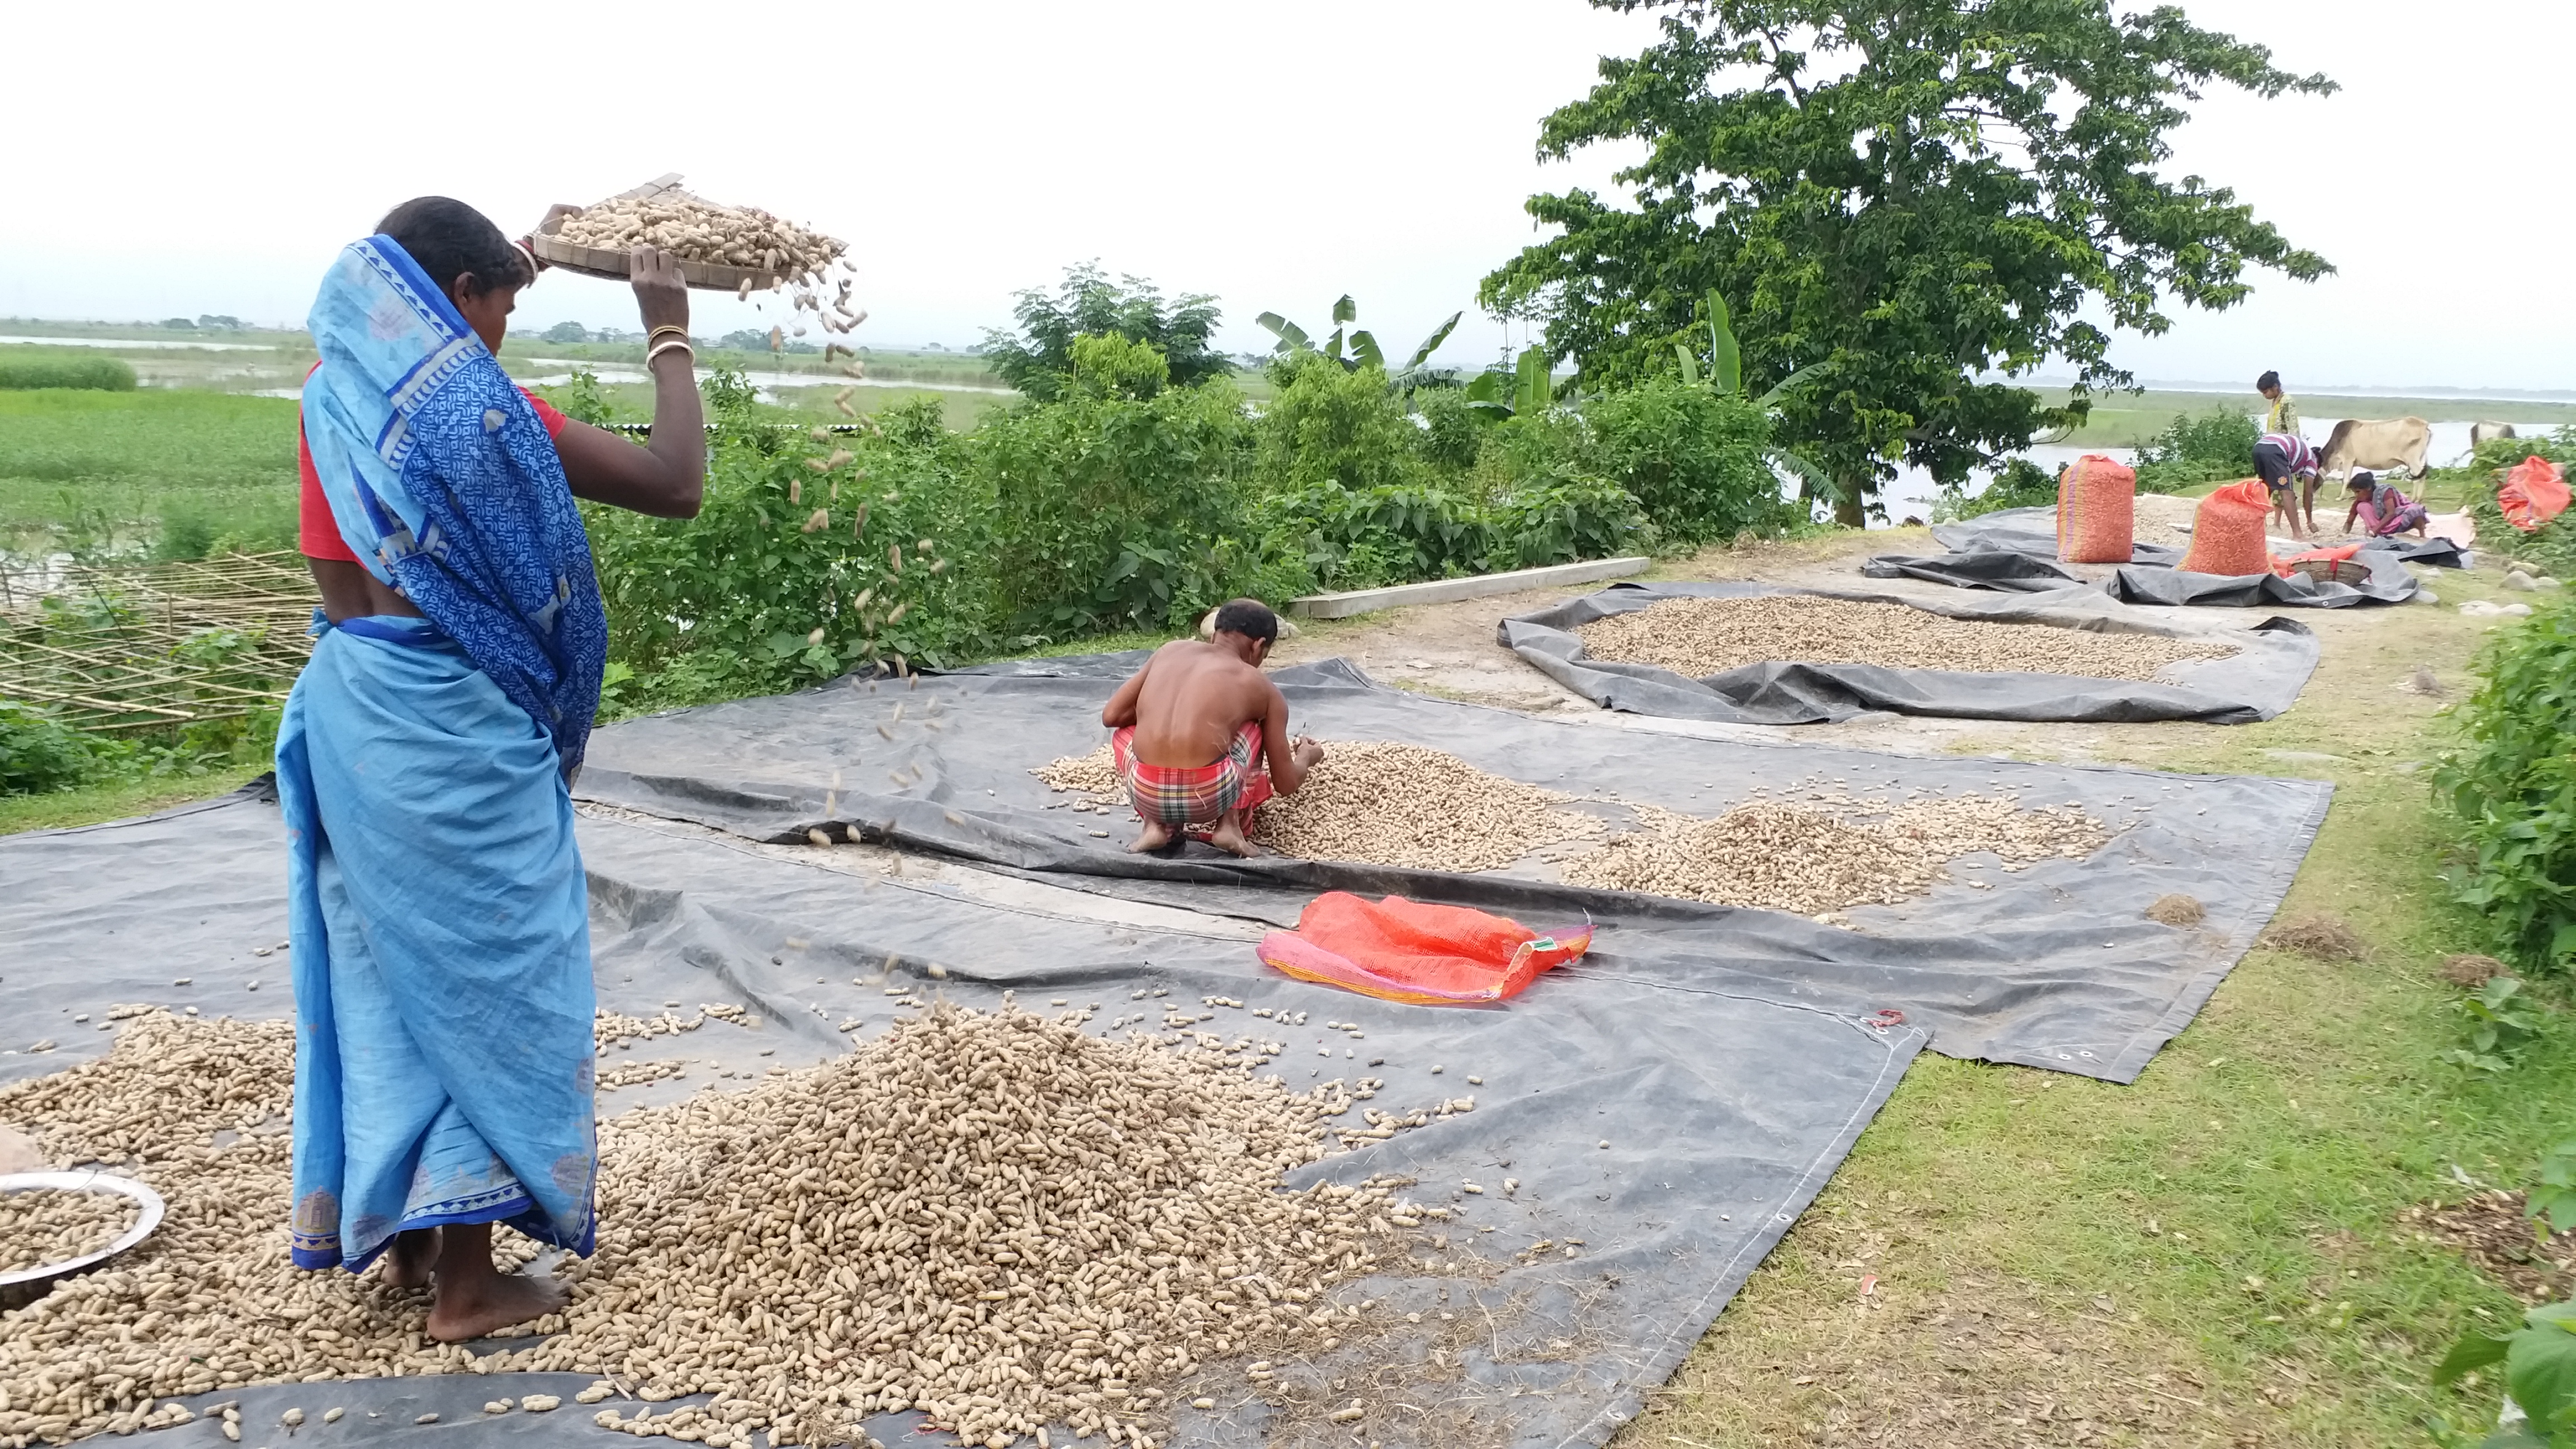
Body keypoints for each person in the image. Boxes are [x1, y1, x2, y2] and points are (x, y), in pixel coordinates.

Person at [278, 196, 704, 1342]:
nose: (508, 324)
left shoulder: (333, 397)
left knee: (390, 966)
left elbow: (345, 561)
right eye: (502, 303)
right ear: (461, 300)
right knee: (490, 974)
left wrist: (504, 272)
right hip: (451, 731)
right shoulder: (486, 413)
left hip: (354, 705)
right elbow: (676, 480)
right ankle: (468, 1286)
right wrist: (665, 325)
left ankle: (411, 1245)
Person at [1099, 599, 1324, 858]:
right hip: (1210, 794)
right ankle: (1229, 826)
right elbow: (1285, 783)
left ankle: (1155, 825)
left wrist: (1154, 715)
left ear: (1215, 633)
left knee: (1124, 733)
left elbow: (1112, 715)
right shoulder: (1260, 686)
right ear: (1259, 646)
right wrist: (1306, 758)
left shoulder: (1169, 651)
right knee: (1252, 725)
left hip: (1145, 790)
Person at [2252, 428, 2321, 539]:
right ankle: (2298, 534)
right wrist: (2310, 521)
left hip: (2259, 447)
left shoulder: (2303, 452)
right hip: (2277, 449)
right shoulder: (2312, 461)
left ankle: (2255, 528)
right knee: (2287, 492)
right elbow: (2308, 494)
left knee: (2264, 488)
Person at [2343, 471, 2429, 539]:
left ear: (2368, 488)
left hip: (2396, 521)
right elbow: (2350, 520)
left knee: (2415, 510)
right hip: (2379, 526)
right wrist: (2344, 534)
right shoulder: (2361, 500)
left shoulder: (2385, 492)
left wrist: (2374, 531)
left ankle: (2422, 536)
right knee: (2362, 506)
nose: (2356, 495)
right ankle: (2380, 533)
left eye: (2358, 492)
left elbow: (2391, 513)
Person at [2257, 370, 2300, 438]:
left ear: (2275, 387)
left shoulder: (2287, 401)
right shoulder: (2275, 402)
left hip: (2283, 445)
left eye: (2266, 392)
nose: (2265, 396)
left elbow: (2293, 430)